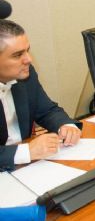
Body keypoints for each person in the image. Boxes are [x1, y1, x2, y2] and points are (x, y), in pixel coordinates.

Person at [0, 20, 82, 169]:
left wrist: (66, 125)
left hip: (27, 167)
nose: (28, 60)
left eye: (27, 50)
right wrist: (27, 151)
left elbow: (47, 110)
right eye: (17, 55)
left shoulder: (26, 74)